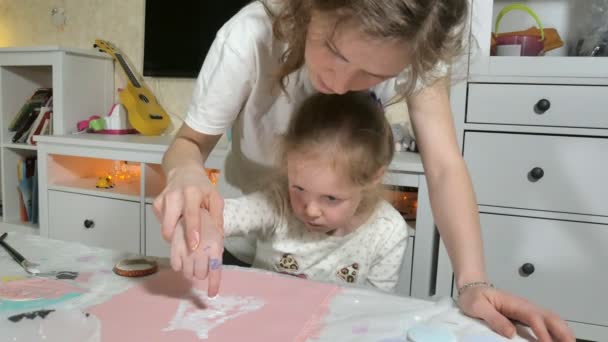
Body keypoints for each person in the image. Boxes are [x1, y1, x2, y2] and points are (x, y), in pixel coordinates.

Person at [153, 1, 574, 340]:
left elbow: (444, 166)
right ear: (308, 9)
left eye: (374, 74)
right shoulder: (249, 35)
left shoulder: (418, 45)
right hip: (246, 251)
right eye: (334, 52)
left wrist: (473, 283)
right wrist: (186, 175)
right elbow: (188, 145)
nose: (337, 84)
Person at [171, 91, 409, 294]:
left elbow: (376, 309)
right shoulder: (279, 203)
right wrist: (200, 220)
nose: (310, 210)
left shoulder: (387, 231)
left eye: (331, 198)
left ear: (373, 178)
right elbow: (225, 215)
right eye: (299, 188)